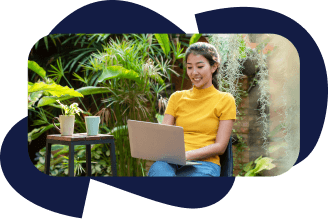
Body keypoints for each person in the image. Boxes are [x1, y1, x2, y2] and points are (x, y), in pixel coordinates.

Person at [148, 42, 236, 177]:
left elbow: (220, 147)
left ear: (214, 67)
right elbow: (163, 137)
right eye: (189, 67)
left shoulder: (225, 100)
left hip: (205, 164)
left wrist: (186, 155)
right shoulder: (176, 97)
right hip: (171, 161)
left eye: (200, 66)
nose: (194, 73)